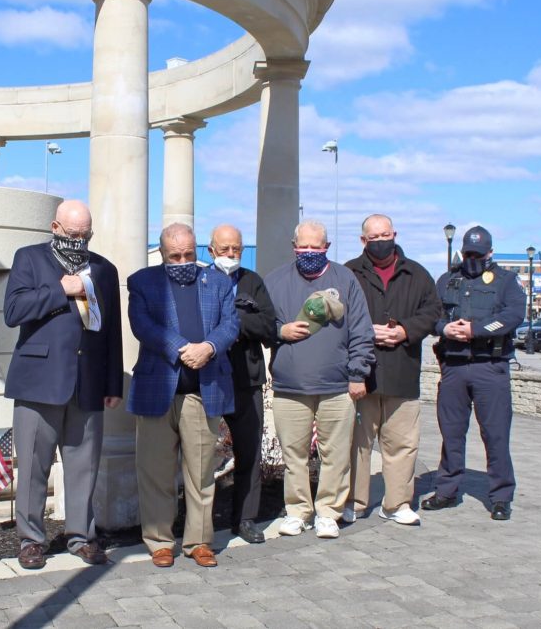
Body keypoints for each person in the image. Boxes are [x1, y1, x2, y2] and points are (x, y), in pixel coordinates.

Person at [3, 200, 123, 569]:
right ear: (55, 227)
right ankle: (30, 541)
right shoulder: (29, 258)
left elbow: (112, 330)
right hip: (39, 382)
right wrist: (62, 290)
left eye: (86, 234)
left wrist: (113, 382)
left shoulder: (104, 269)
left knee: (83, 465)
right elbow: (13, 311)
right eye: (73, 234)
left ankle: (81, 536)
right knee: (34, 467)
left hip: (88, 384)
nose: (80, 240)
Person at [126, 223, 238, 568]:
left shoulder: (218, 282)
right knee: (156, 471)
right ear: (162, 254)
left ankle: (199, 541)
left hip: (202, 392)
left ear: (197, 250)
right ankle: (160, 540)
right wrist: (179, 348)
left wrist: (208, 347)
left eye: (188, 254)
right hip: (157, 390)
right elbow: (142, 325)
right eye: (175, 255)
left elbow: (230, 324)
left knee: (202, 472)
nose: (182, 260)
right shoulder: (142, 282)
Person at [265, 220, 375, 539]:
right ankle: (298, 510)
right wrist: (279, 331)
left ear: (326, 247)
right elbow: (257, 323)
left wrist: (358, 375)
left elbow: (361, 332)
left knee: (335, 454)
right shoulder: (275, 280)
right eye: (304, 246)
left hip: (338, 386)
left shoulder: (345, 278)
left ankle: (329, 511)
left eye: (316, 247)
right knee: (294, 454)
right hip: (289, 386)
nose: (309, 252)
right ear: (294, 245)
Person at [422, 226, 525, 521]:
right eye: (467, 253)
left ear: (490, 253)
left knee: (495, 435)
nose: (472, 258)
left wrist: (475, 330)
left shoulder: (506, 281)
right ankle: (447, 491)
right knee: (451, 433)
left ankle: (501, 496)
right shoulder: (448, 279)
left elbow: (513, 315)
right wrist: (444, 328)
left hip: (489, 367)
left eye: (478, 254)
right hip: (453, 366)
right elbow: (431, 314)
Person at [344, 214, 441, 526]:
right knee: (357, 443)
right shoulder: (349, 272)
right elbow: (337, 312)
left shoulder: (417, 274)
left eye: (385, 234)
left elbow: (432, 312)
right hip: (363, 374)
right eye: (374, 237)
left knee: (402, 443)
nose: (381, 241)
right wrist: (364, 331)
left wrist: (405, 331)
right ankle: (355, 503)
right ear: (363, 241)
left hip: (402, 371)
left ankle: (397, 503)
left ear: (395, 234)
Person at [207, 224, 276, 544]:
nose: (231, 255)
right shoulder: (200, 279)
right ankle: (200, 521)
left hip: (247, 380)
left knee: (250, 452)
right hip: (209, 380)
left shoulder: (253, 281)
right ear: (211, 251)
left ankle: (245, 518)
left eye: (235, 249)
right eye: (224, 250)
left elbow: (267, 325)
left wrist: (231, 318)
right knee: (202, 456)